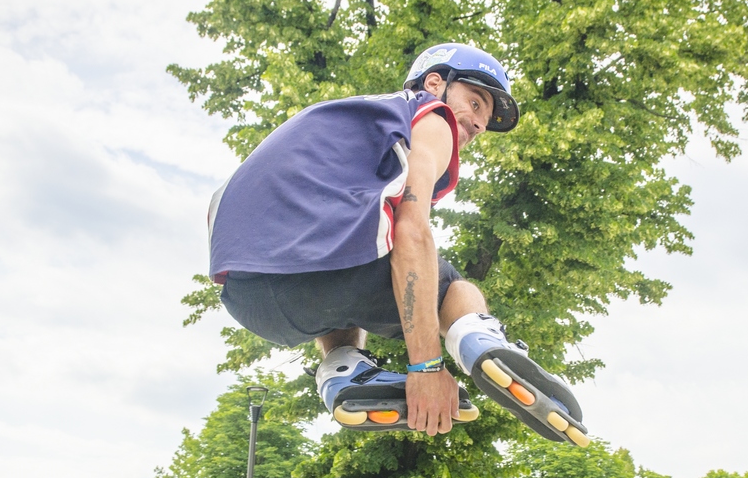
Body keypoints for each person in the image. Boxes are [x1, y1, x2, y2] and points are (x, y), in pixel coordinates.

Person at [206, 43, 588, 446]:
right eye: (475, 103)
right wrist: (426, 367)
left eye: (485, 119)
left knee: (360, 238)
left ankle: (342, 367)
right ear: (435, 84)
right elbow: (411, 231)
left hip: (249, 297)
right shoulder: (430, 114)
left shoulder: (350, 123)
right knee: (449, 285)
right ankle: (480, 338)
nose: (479, 124)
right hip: (311, 267)